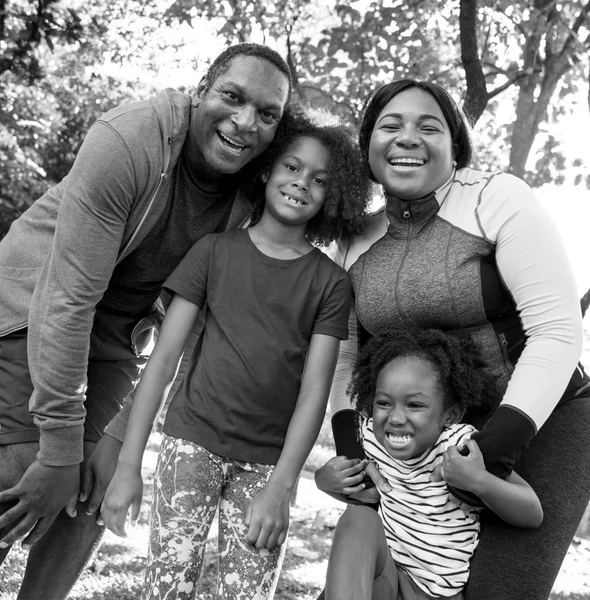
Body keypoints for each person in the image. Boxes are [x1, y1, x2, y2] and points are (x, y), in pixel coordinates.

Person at [0, 43, 293, 599]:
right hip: (32, 299)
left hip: (121, 334)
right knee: (23, 461)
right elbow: (65, 299)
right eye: (232, 97)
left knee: (98, 483)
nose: (244, 122)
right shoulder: (131, 139)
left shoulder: (255, 201)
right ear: (202, 87)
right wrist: (59, 450)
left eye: (267, 114)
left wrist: (119, 438)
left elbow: (184, 335)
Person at [315, 79, 590, 600]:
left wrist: (489, 460)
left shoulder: (496, 198)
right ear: (368, 143)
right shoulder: (354, 240)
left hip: (541, 422)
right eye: (389, 125)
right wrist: (357, 462)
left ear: (456, 145)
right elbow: (347, 354)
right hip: (421, 431)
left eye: (429, 126)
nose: (407, 138)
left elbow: (556, 330)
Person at [100, 109, 371, 599]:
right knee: (164, 592)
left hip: (266, 468)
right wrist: (127, 467)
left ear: (335, 196)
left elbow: (314, 393)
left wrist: (282, 488)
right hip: (190, 448)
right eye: (291, 167)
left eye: (319, 179)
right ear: (267, 168)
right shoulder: (212, 251)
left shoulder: (331, 283)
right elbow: (162, 362)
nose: (301, 183)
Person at [321, 328, 543, 600]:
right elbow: (350, 492)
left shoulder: (461, 448)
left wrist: (478, 481)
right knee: (358, 517)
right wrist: (325, 480)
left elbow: (532, 513)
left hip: (434, 595)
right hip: (387, 579)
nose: (396, 417)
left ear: (450, 415)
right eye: (383, 403)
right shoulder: (372, 440)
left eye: (414, 405)